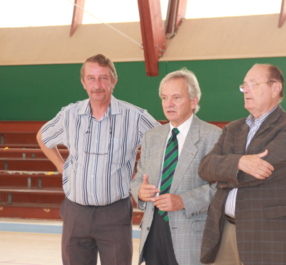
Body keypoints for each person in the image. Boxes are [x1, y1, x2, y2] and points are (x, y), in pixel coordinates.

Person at [36, 54, 159, 265]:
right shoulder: (69, 115)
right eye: (91, 78)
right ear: (83, 82)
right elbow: (43, 137)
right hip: (75, 212)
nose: (97, 85)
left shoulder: (135, 116)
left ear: (114, 81)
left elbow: (162, 142)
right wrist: (61, 166)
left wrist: (143, 178)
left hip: (114, 213)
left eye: (103, 78)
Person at [199, 64, 286, 265]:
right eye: (244, 86)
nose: (246, 90)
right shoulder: (233, 129)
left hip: (269, 233)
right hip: (224, 230)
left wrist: (224, 173)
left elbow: (262, 171)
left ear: (275, 88)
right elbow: (205, 168)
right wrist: (239, 162)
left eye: (253, 84)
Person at [130, 68, 221, 265]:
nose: (168, 104)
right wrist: (140, 191)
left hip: (190, 236)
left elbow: (221, 188)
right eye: (164, 98)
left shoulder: (213, 137)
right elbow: (138, 179)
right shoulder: (151, 137)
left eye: (176, 97)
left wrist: (183, 201)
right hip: (152, 232)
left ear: (194, 101)